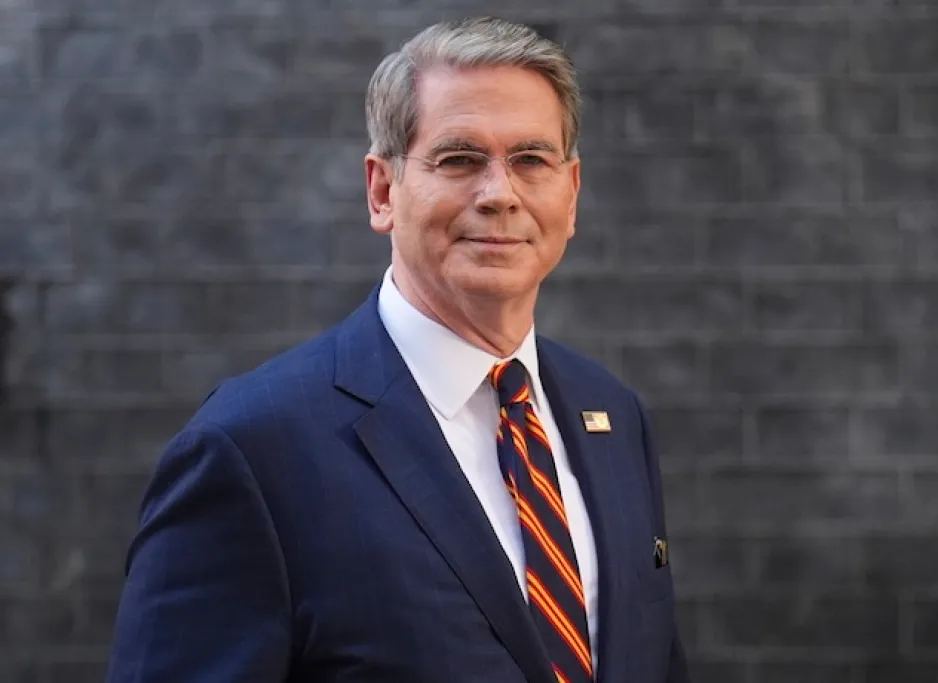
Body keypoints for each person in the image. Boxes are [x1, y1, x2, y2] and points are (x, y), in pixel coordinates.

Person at [104, 16, 689, 683]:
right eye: (459, 159)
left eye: (531, 160)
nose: (500, 194)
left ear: (572, 194)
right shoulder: (250, 451)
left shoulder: (613, 415)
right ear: (383, 191)